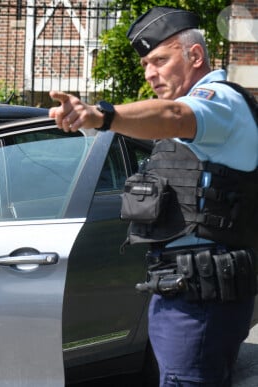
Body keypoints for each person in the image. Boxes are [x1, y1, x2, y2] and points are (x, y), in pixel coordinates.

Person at [49, 6, 258, 386]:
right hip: (186, 292)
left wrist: (100, 115)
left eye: (160, 60)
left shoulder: (218, 102)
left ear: (194, 56)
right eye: (146, 63)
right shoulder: (206, 114)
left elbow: (174, 113)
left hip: (201, 300)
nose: (149, 73)